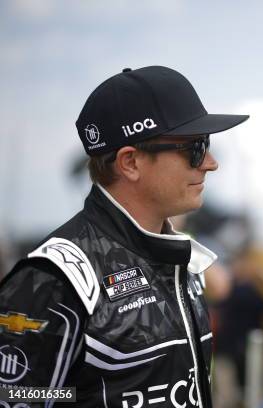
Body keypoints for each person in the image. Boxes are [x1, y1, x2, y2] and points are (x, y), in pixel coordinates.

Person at [0, 66, 248, 407]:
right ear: (130, 162)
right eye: (194, 148)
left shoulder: (181, 260)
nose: (210, 163)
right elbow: (14, 395)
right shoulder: (57, 276)